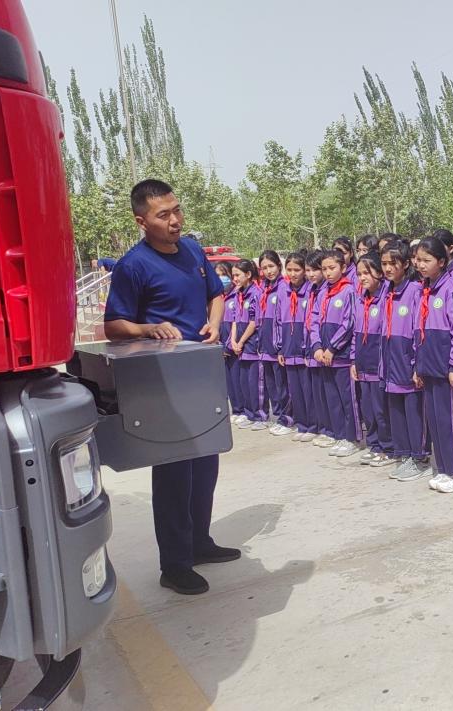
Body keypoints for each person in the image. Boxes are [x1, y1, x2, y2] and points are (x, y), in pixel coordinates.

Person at [103, 179, 241, 596]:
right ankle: (175, 564)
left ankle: (200, 542)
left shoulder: (193, 251)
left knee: (206, 462)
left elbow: (216, 295)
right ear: (141, 221)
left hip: (200, 372)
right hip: (163, 382)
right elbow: (114, 325)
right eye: (163, 215)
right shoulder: (133, 266)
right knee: (175, 471)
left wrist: (214, 323)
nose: (175, 220)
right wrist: (147, 328)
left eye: (177, 210)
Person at [413, 236, 453, 489]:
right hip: (429, 366)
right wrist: (418, 365)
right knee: (435, 421)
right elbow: (419, 331)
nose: (421, 265)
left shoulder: (451, 290)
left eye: (426, 260)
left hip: (447, 368)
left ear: (441, 261)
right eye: (418, 260)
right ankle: (444, 468)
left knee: (451, 421)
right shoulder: (424, 290)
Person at [380, 239, 431, 478]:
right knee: (396, 412)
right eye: (384, 264)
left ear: (405, 264)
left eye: (393, 263)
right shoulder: (386, 290)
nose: (388, 268)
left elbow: (418, 330)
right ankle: (404, 454)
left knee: (414, 413)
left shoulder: (415, 290)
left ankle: (420, 458)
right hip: (390, 360)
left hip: (406, 360)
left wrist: (417, 364)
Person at [311, 249, 359, 457]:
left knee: (348, 400)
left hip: (341, 356)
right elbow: (313, 320)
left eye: (332, 268)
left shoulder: (349, 291)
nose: (328, 273)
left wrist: (332, 348)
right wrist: (317, 346)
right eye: (324, 269)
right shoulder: (322, 293)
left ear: (343, 267)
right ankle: (339, 435)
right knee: (332, 398)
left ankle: (352, 438)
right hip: (324, 356)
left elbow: (349, 324)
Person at [351, 251, 390, 466]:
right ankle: (374, 445)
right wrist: (353, 360)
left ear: (379, 273)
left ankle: (387, 447)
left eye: (367, 273)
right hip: (362, 363)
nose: (362, 277)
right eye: (359, 274)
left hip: (378, 363)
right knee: (367, 409)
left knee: (381, 409)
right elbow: (354, 332)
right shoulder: (360, 299)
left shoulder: (386, 297)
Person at [278, 251, 314, 442]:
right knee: (295, 391)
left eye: (297, 270)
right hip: (288, 347)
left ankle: (313, 426)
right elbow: (278, 320)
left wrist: (308, 348)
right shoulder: (283, 290)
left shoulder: (311, 290)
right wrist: (280, 347)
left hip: (304, 349)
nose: (293, 274)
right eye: (289, 270)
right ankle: (302, 424)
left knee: (308, 391)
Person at [257, 251, 292, 436]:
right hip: (265, 345)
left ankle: (287, 418)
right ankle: (278, 415)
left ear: (279, 265)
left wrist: (280, 346)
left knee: (282, 385)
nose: (268, 271)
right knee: (272, 386)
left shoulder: (283, 287)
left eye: (271, 266)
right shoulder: (264, 288)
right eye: (264, 268)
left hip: (277, 345)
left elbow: (282, 319)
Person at [303, 251, 333, 446]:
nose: (311, 274)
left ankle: (331, 430)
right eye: (308, 270)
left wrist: (325, 347)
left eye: (316, 269)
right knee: (317, 394)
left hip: (327, 350)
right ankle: (322, 428)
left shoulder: (327, 291)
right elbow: (311, 321)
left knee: (327, 394)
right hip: (314, 347)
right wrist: (313, 346)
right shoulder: (312, 290)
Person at [229, 260, 262, 429]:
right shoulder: (238, 294)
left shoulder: (256, 293)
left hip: (252, 345)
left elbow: (254, 322)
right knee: (244, 382)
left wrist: (241, 341)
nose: (234, 279)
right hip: (240, 346)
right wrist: (233, 341)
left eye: (237, 275)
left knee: (254, 382)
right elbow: (235, 320)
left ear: (248, 274)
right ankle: (249, 413)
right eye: (233, 275)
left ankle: (259, 415)